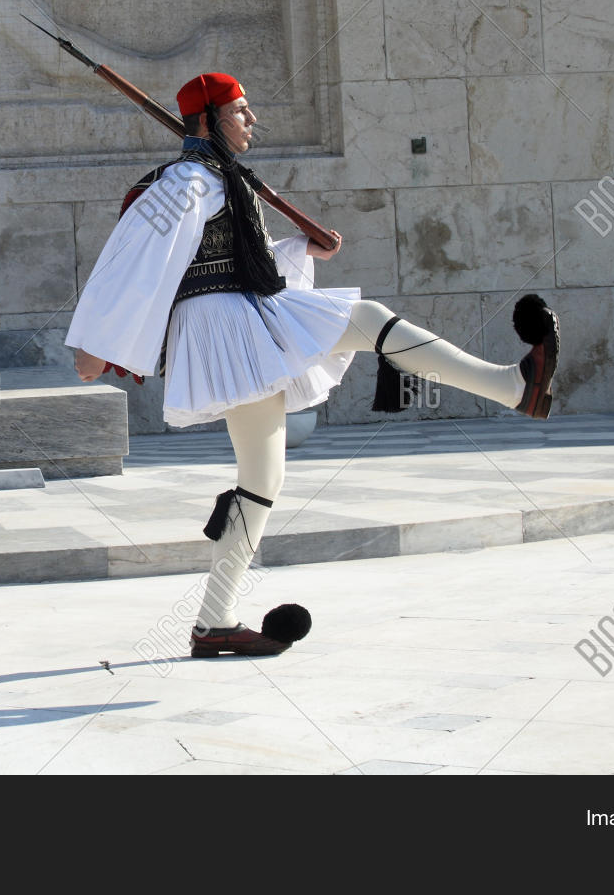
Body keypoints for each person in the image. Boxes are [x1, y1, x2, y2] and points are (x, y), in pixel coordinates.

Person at [66, 72, 559, 658]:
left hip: (245, 314)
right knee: (366, 318)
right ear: (207, 120)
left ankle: (214, 622)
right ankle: (510, 386)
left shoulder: (221, 178)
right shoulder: (184, 183)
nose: (251, 121)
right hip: (227, 329)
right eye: (240, 111)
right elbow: (133, 260)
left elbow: (231, 258)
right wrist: (95, 346)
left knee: (263, 479)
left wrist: (298, 250)